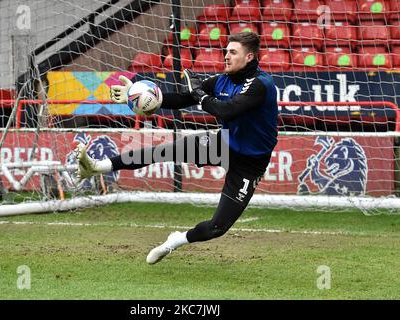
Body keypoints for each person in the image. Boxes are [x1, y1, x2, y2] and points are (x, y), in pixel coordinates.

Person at [75, 31, 279, 264]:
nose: (226, 56)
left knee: (217, 228)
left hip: (250, 164)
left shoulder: (261, 85)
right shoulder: (220, 80)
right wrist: (139, 97)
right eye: (225, 51)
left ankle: (175, 240)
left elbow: (228, 110)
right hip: (223, 144)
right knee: (163, 151)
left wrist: (200, 96)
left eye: (233, 52)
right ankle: (97, 166)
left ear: (250, 57)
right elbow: (184, 98)